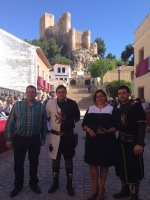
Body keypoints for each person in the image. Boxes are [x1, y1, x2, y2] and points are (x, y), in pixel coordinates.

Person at [4, 85, 47, 198]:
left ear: (36, 94)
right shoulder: (17, 106)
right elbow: (10, 123)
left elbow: (43, 124)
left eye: (33, 92)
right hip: (20, 139)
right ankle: (18, 185)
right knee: (18, 163)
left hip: (34, 139)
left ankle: (33, 183)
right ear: (25, 93)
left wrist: (43, 138)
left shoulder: (41, 107)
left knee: (34, 163)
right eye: (28, 92)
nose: (30, 94)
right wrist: (8, 138)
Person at [82, 89, 118, 200]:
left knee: (103, 165)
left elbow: (116, 126)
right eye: (97, 96)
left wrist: (106, 131)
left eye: (101, 96)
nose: (99, 98)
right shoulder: (90, 109)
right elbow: (84, 124)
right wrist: (89, 130)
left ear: (105, 97)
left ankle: (101, 189)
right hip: (92, 141)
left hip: (106, 141)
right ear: (95, 98)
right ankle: (95, 188)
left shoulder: (112, 109)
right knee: (92, 164)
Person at [113, 85, 146, 200]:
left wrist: (140, 143)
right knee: (121, 167)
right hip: (121, 143)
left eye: (124, 93)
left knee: (134, 169)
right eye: (120, 93)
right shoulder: (118, 106)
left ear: (128, 94)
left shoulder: (136, 106)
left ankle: (134, 194)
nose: (122, 95)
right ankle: (125, 190)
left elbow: (142, 126)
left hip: (133, 143)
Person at [46, 85, 80, 196]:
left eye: (63, 92)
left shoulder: (72, 103)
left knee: (68, 160)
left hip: (68, 137)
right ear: (56, 93)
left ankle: (69, 185)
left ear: (66, 92)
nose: (61, 94)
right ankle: (55, 183)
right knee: (55, 160)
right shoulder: (50, 103)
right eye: (59, 92)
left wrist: (66, 125)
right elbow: (48, 117)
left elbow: (77, 117)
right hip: (55, 137)